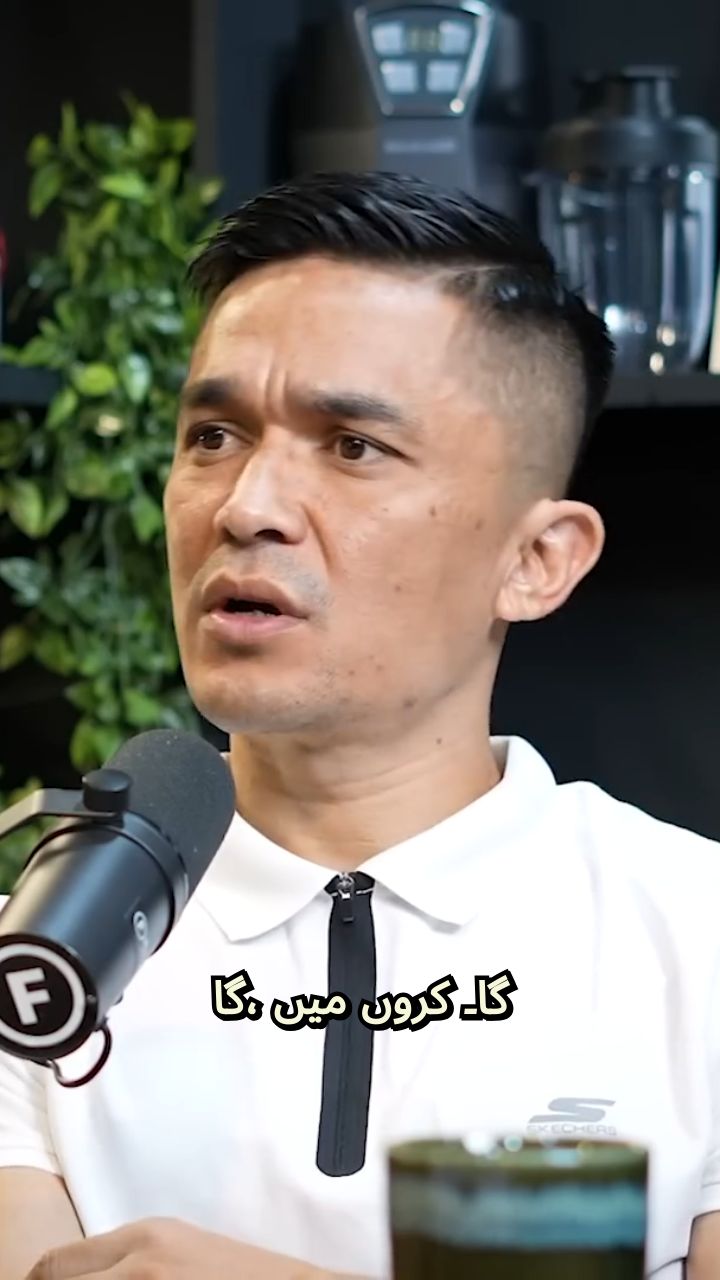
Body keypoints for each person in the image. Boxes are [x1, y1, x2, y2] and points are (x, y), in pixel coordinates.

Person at [0, 170, 718, 1280]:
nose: (246, 506)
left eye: (352, 446)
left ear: (538, 559)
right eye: (213, 435)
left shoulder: (694, 934)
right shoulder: (38, 961)